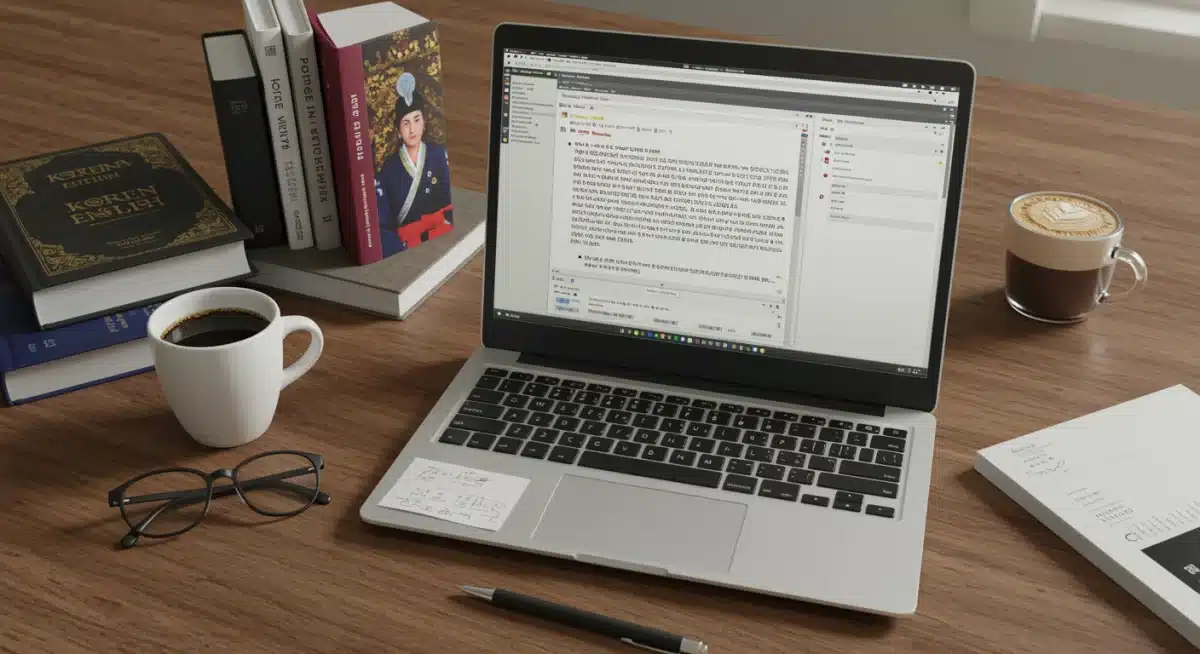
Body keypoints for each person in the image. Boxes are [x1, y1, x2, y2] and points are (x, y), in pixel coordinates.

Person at [375, 72, 453, 256]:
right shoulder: (388, 172)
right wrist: (401, 248)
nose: (412, 129)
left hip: (442, 238)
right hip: (407, 248)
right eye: (406, 123)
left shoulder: (439, 155)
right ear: (398, 131)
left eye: (417, 120)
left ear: (424, 122)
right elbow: (382, 227)